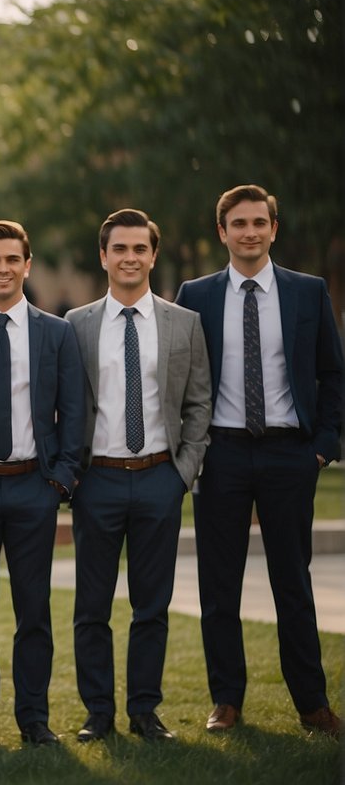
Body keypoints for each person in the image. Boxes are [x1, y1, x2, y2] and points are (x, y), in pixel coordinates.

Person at [175, 185, 342, 738]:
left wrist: (323, 444)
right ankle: (226, 701)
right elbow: (181, 378)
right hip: (220, 454)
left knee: (291, 580)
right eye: (238, 224)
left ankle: (313, 704)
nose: (249, 232)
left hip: (289, 452)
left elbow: (332, 371)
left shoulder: (306, 291)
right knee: (218, 585)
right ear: (221, 232)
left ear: (274, 228)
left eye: (259, 223)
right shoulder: (195, 295)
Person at [65, 208, 211, 742]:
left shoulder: (182, 323)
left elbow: (199, 405)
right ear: (103, 256)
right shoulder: (75, 325)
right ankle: (98, 713)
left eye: (140, 249)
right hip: (95, 480)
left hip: (159, 478)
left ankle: (144, 710)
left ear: (153, 255)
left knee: (152, 604)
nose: (130, 258)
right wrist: (71, 475)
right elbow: (60, 404)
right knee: (92, 607)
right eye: (119, 249)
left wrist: (182, 474)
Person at [0, 220, 83, 748]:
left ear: (27, 265)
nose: (3, 268)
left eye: (12, 260)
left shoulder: (57, 331)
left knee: (34, 610)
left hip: (34, 487)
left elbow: (72, 412)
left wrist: (60, 480)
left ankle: (33, 718)